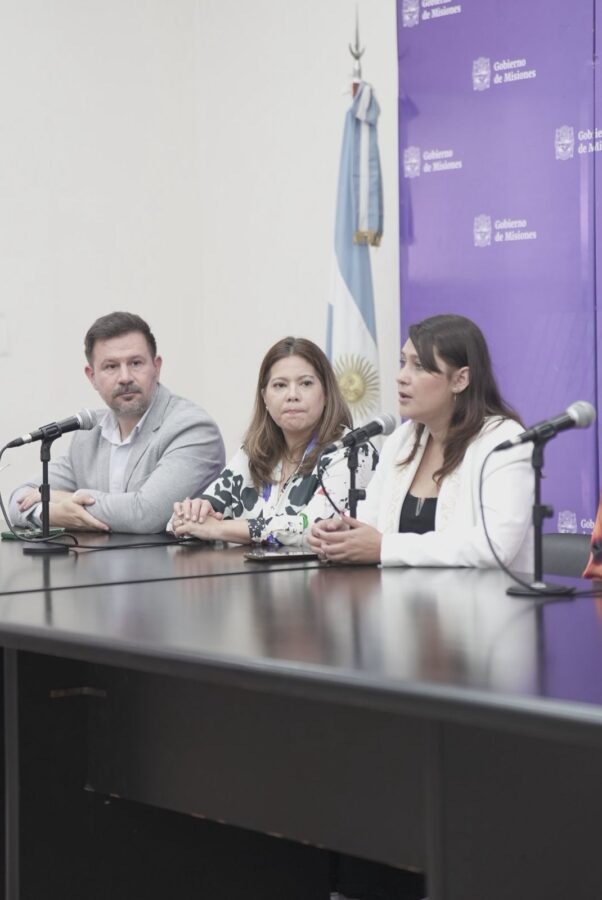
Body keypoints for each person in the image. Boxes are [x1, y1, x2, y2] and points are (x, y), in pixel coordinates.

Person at [310, 313, 534, 570]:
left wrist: (385, 547)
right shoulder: (402, 439)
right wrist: (341, 534)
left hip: (483, 595)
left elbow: (495, 546)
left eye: (419, 366)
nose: (401, 377)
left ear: (460, 380)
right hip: (397, 594)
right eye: (403, 362)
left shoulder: (504, 441)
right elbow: (371, 522)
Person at [9, 311, 225, 533]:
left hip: (178, 557)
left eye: (136, 363)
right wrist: (49, 513)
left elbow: (146, 514)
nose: (125, 377)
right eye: (111, 366)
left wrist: (62, 498)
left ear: (156, 367)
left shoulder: (192, 428)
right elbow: (18, 500)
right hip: (98, 556)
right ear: (92, 377)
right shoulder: (88, 432)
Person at [169, 336, 377, 546]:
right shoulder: (253, 452)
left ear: (327, 393)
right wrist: (192, 513)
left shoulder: (352, 450)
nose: (292, 395)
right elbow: (184, 522)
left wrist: (218, 528)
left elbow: (313, 528)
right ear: (265, 398)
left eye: (306, 383)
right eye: (280, 385)